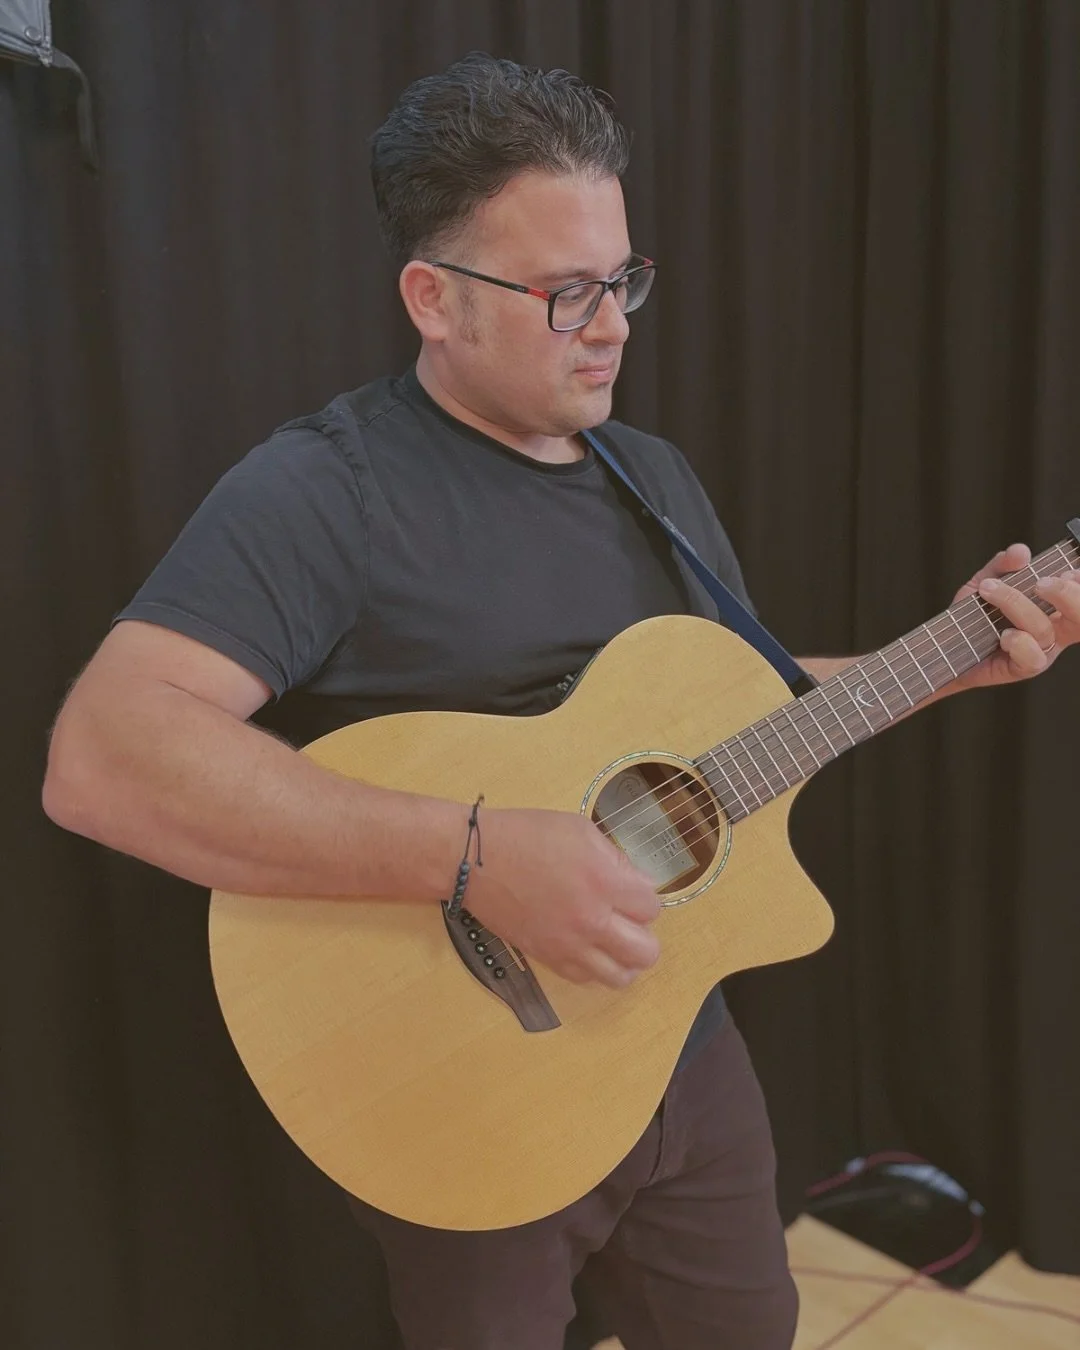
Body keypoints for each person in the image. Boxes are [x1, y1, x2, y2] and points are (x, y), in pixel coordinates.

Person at [42, 53, 1077, 1350]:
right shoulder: (324, 490)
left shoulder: (651, 475)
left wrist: (940, 656)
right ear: (433, 296)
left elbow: (727, 721)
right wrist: (475, 856)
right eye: (565, 291)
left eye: (624, 278)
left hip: (675, 1040)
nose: (614, 324)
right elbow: (105, 758)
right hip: (466, 1079)